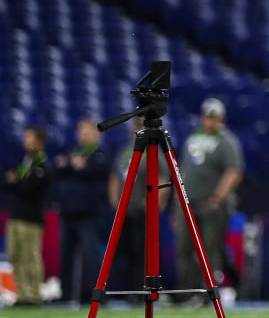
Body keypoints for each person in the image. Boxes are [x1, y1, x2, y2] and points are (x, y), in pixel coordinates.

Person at [173, 97, 243, 302]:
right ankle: (185, 292)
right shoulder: (193, 139)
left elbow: (234, 171)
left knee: (210, 249)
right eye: (208, 117)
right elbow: (183, 172)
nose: (210, 121)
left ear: (221, 119)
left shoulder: (227, 140)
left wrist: (218, 196)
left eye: (214, 118)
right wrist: (179, 202)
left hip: (211, 203)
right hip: (189, 203)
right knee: (184, 248)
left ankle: (208, 292)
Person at [106, 115, 171, 301]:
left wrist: (152, 203)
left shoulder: (153, 152)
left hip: (142, 211)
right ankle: (124, 290)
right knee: (122, 253)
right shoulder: (126, 151)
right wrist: (115, 201)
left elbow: (163, 179)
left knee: (141, 252)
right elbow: (114, 176)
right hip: (125, 210)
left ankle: (139, 291)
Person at [53, 118, 112, 303]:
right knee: (66, 255)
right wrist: (74, 165)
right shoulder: (75, 152)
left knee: (91, 254)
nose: (83, 135)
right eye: (81, 131)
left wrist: (73, 166)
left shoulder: (100, 153)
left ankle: (97, 293)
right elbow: (60, 168)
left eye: (87, 131)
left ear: (96, 133)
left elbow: (94, 169)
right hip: (69, 212)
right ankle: (67, 294)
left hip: (89, 213)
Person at [3, 125, 50, 306]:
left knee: (31, 256)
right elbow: (11, 183)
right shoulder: (26, 162)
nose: (26, 140)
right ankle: (22, 294)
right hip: (16, 215)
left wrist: (17, 181)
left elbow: (27, 187)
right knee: (15, 255)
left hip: (31, 218)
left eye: (29, 137)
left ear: (39, 141)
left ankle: (34, 293)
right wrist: (17, 182)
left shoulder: (43, 164)